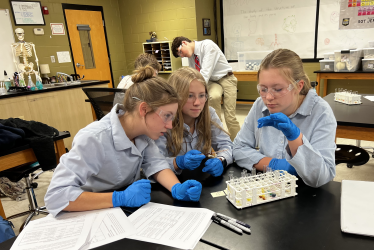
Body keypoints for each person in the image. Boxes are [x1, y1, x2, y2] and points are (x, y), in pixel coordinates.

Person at [45, 66, 202, 216]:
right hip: (89, 212)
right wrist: (118, 198)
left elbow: (156, 164)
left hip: (121, 212)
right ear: (143, 109)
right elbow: (55, 196)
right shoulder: (94, 138)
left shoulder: (143, 133)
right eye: (167, 116)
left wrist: (177, 188)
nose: (169, 125)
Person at [233, 49, 337, 188]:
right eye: (263, 89)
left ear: (298, 86)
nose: (268, 97)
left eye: (278, 89)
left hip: (306, 195)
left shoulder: (321, 112)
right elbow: (239, 148)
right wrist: (272, 164)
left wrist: (296, 139)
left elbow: (320, 177)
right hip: (268, 190)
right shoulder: (260, 105)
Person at [155, 67, 233, 178]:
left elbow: (227, 145)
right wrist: (177, 162)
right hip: (172, 183)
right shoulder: (164, 121)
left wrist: (221, 160)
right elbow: (153, 163)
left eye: (201, 95)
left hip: (202, 182)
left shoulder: (209, 114)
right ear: (174, 97)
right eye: (190, 96)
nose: (197, 103)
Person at [171, 37, 241, 141]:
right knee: (213, 98)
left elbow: (204, 75)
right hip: (212, 81)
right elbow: (194, 75)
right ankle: (220, 139)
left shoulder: (208, 46)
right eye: (179, 55)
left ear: (184, 43)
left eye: (180, 52)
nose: (182, 56)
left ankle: (239, 143)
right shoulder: (191, 57)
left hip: (226, 78)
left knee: (230, 117)